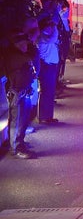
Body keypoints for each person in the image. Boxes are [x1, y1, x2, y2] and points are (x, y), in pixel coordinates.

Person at [3, 28, 38, 159]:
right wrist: (31, 45)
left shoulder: (18, 53)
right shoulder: (14, 56)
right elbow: (32, 56)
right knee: (16, 121)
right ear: (16, 45)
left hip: (23, 90)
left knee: (22, 120)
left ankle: (19, 143)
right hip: (17, 92)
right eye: (22, 44)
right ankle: (16, 148)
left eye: (26, 43)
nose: (25, 46)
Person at [36, 16, 60, 124]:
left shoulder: (46, 36)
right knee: (46, 92)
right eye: (50, 26)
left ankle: (48, 116)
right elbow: (53, 38)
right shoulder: (42, 37)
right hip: (46, 66)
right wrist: (54, 26)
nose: (52, 28)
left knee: (50, 93)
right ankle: (43, 117)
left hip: (50, 66)